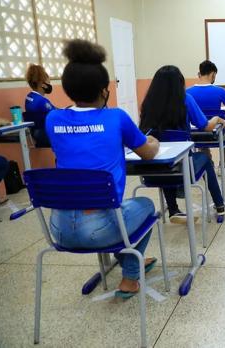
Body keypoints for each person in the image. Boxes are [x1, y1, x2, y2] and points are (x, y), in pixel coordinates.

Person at [45, 39, 160, 298]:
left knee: (116, 211)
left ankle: (129, 259)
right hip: (99, 230)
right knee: (146, 206)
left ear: (67, 88)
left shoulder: (52, 119)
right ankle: (130, 277)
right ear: (103, 89)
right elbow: (148, 154)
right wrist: (154, 140)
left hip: (58, 230)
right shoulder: (116, 117)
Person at [140, 65, 225, 224]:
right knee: (205, 159)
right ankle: (220, 205)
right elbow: (205, 126)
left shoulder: (148, 103)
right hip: (184, 167)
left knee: (165, 159)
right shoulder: (185, 99)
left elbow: (143, 133)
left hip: (152, 170)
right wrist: (217, 118)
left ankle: (173, 209)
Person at [186, 60, 225, 167]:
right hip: (217, 134)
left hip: (194, 134)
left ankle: (208, 165)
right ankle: (222, 166)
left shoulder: (187, 92)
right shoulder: (220, 91)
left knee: (202, 137)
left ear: (199, 74)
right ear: (213, 74)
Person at [25, 64, 56, 146]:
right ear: (43, 84)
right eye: (49, 83)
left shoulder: (29, 97)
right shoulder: (42, 101)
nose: (49, 85)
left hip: (35, 133)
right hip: (43, 134)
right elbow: (55, 114)